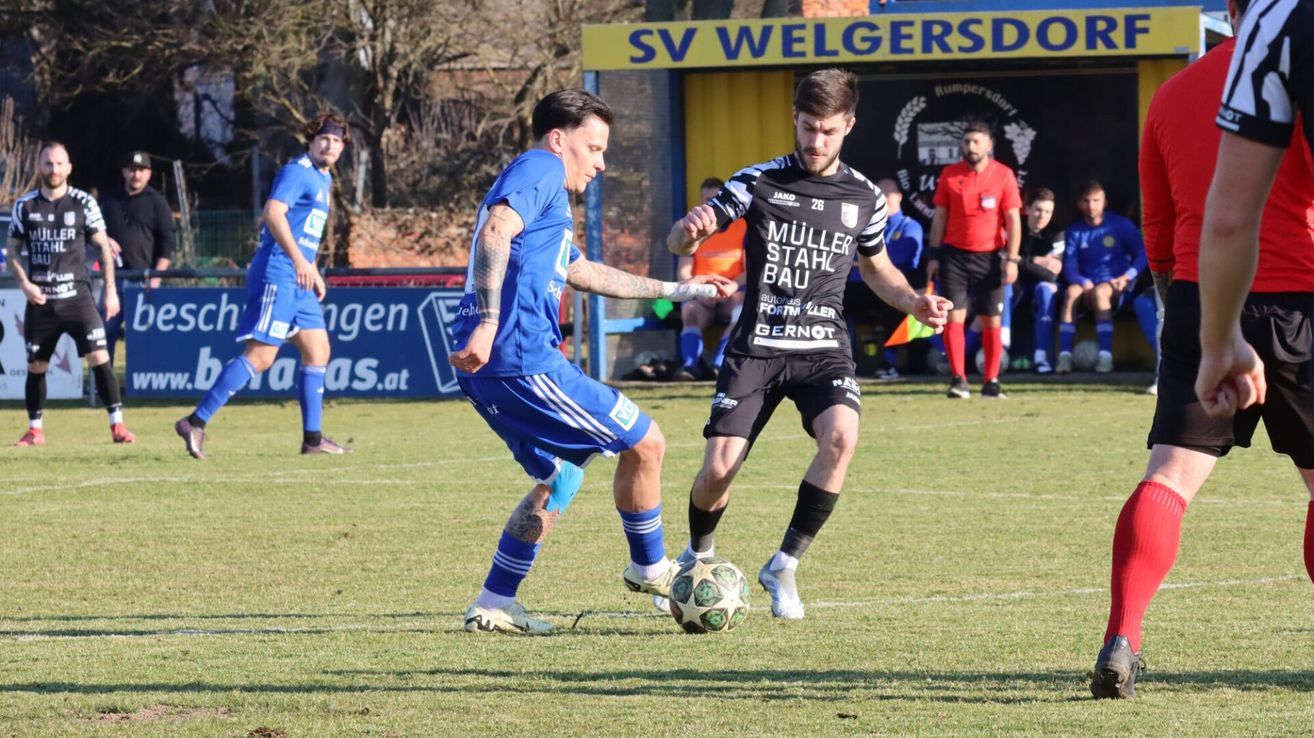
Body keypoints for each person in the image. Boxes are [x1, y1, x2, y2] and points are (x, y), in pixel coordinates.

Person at [666, 69, 951, 620]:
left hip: (822, 349)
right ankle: (697, 556)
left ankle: (785, 565)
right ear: (794, 119)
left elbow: (877, 268)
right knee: (719, 470)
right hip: (756, 347)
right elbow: (680, 240)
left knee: (842, 437)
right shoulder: (757, 180)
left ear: (848, 126)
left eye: (828, 131)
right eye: (807, 127)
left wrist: (914, 301)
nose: (816, 141)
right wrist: (688, 232)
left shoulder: (866, 197)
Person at [1091, 0, 1314, 699]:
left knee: (1169, 476)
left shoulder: (1174, 93)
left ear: (1230, 10)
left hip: (1201, 295)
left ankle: (1121, 638)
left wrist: (1178, 305)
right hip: (1303, 297)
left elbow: (1159, 221)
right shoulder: (1300, 62)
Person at [452, 89, 735, 634]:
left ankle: (493, 602)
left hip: (492, 368)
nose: (601, 163)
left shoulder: (548, 206)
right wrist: (488, 321)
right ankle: (650, 568)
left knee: (559, 478)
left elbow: (586, 273)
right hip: (522, 358)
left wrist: (679, 290)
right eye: (595, 147)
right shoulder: (539, 169)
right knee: (647, 441)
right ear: (559, 140)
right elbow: (495, 230)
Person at [174, 113, 352, 459]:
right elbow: (272, 213)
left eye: (336, 141)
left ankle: (313, 440)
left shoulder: (324, 178)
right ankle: (194, 422)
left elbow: (303, 230)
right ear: (311, 140)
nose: (329, 146)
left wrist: (312, 268)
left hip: (300, 277)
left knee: (318, 350)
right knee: (262, 356)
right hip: (279, 273)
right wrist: (300, 261)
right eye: (324, 139)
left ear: (342, 147)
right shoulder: (298, 171)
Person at [4, 141, 135, 445]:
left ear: (69, 168)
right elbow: (12, 251)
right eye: (48, 163)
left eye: (59, 163)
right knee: (36, 365)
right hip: (42, 301)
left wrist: (111, 291)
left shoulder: (84, 203)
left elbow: (103, 248)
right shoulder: (25, 206)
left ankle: (117, 426)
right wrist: (25, 284)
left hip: (78, 298)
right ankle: (35, 430)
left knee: (100, 357)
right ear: (39, 167)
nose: (54, 169)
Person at [925, 121, 1022, 399]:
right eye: (967, 141)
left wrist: (1012, 259)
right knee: (954, 316)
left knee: (991, 319)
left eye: (977, 141)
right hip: (954, 256)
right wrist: (934, 255)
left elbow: (1013, 220)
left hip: (990, 258)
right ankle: (958, 380)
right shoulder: (949, 174)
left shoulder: (1003, 174)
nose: (971, 147)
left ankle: (991, 382)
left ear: (989, 145)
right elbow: (939, 217)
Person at [1054, 181, 1148, 374]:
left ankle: (1105, 359)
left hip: (1115, 285)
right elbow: (1069, 269)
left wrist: (1127, 277)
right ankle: (1064, 358)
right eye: (1086, 201)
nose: (1091, 206)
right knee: (1071, 292)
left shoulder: (1120, 225)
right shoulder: (1075, 231)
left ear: (1105, 202)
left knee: (1100, 293)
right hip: (1087, 285)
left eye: (1096, 200)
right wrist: (1083, 282)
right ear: (1079, 203)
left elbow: (1142, 254)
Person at [99, 150, 176, 362]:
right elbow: (88, 230)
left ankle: (143, 378)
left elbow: (168, 242)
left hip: (144, 281)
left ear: (149, 173)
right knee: (105, 332)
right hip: (112, 280)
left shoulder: (157, 202)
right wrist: (104, 239)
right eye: (132, 170)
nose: (136, 175)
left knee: (144, 335)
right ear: (124, 172)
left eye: (141, 170)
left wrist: (157, 277)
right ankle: (103, 379)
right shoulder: (108, 199)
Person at [844, 177, 925, 378]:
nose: (884, 199)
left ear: (899, 197)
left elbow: (896, 260)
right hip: (861, 286)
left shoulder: (910, 226)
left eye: (889, 194)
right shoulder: (863, 225)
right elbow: (846, 255)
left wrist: (859, 261)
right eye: (879, 195)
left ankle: (889, 363)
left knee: (894, 301)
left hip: (894, 286)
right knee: (831, 299)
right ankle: (838, 362)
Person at [674, 177, 747, 381]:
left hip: (732, 292)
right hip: (702, 294)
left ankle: (718, 365)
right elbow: (683, 272)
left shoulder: (743, 227)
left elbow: (750, 271)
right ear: (701, 202)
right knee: (689, 312)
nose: (712, 205)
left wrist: (731, 288)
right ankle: (690, 367)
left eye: (717, 199)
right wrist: (699, 293)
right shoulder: (692, 229)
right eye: (708, 200)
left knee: (742, 311)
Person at [1013, 188, 1064, 373]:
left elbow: (1051, 275)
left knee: (1045, 289)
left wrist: (1021, 260)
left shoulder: (1057, 233)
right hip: (1016, 285)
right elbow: (1004, 261)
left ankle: (1042, 358)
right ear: (1027, 209)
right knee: (1005, 285)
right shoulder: (1015, 227)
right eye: (1038, 210)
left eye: (1048, 211)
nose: (1042, 216)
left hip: (1040, 287)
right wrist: (1038, 261)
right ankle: (1001, 353)